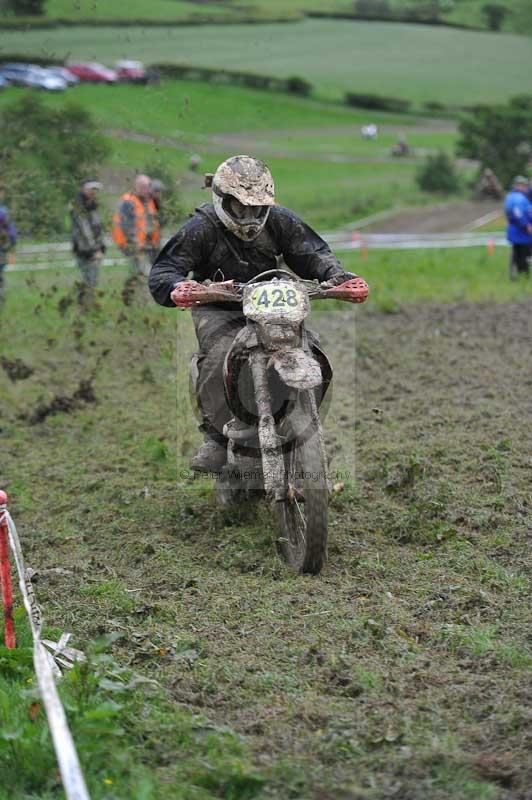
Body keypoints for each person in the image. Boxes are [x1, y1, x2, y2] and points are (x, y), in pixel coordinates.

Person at [149, 155, 369, 472]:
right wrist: (177, 287)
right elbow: (165, 270)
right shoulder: (202, 228)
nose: (250, 216)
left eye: (257, 207)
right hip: (219, 309)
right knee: (217, 356)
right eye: (241, 208)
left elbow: (314, 255)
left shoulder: (280, 220)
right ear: (223, 200)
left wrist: (340, 277)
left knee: (311, 348)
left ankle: (305, 421)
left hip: (272, 305)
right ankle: (216, 438)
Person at [113, 174, 161, 280]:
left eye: (148, 186)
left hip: (149, 247)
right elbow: (126, 226)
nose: (147, 190)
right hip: (136, 247)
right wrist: (135, 244)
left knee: (148, 276)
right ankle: (138, 294)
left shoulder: (149, 201)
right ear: (136, 187)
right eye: (143, 187)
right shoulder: (128, 201)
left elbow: (155, 223)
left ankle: (140, 294)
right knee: (143, 276)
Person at [70, 179, 105, 293]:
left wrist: (101, 246)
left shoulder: (93, 206)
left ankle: (88, 306)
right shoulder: (78, 206)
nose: (93, 192)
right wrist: (95, 249)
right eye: (91, 189)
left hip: (94, 248)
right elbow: (85, 230)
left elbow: (98, 228)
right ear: (83, 189)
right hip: (83, 249)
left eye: (95, 190)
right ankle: (83, 307)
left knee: (93, 280)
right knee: (88, 280)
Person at [504, 175, 532, 279]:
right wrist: (526, 226)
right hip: (521, 233)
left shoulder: (513, 197)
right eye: (523, 185)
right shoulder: (517, 198)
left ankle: (519, 275)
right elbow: (518, 213)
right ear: (518, 185)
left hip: (517, 232)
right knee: (523, 254)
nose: (525, 187)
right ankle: (523, 275)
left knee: (518, 254)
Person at [0, 199, 17, 308]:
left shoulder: (2, 212)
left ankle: (1, 299)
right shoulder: (3, 211)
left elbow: (10, 231)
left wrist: (11, 243)